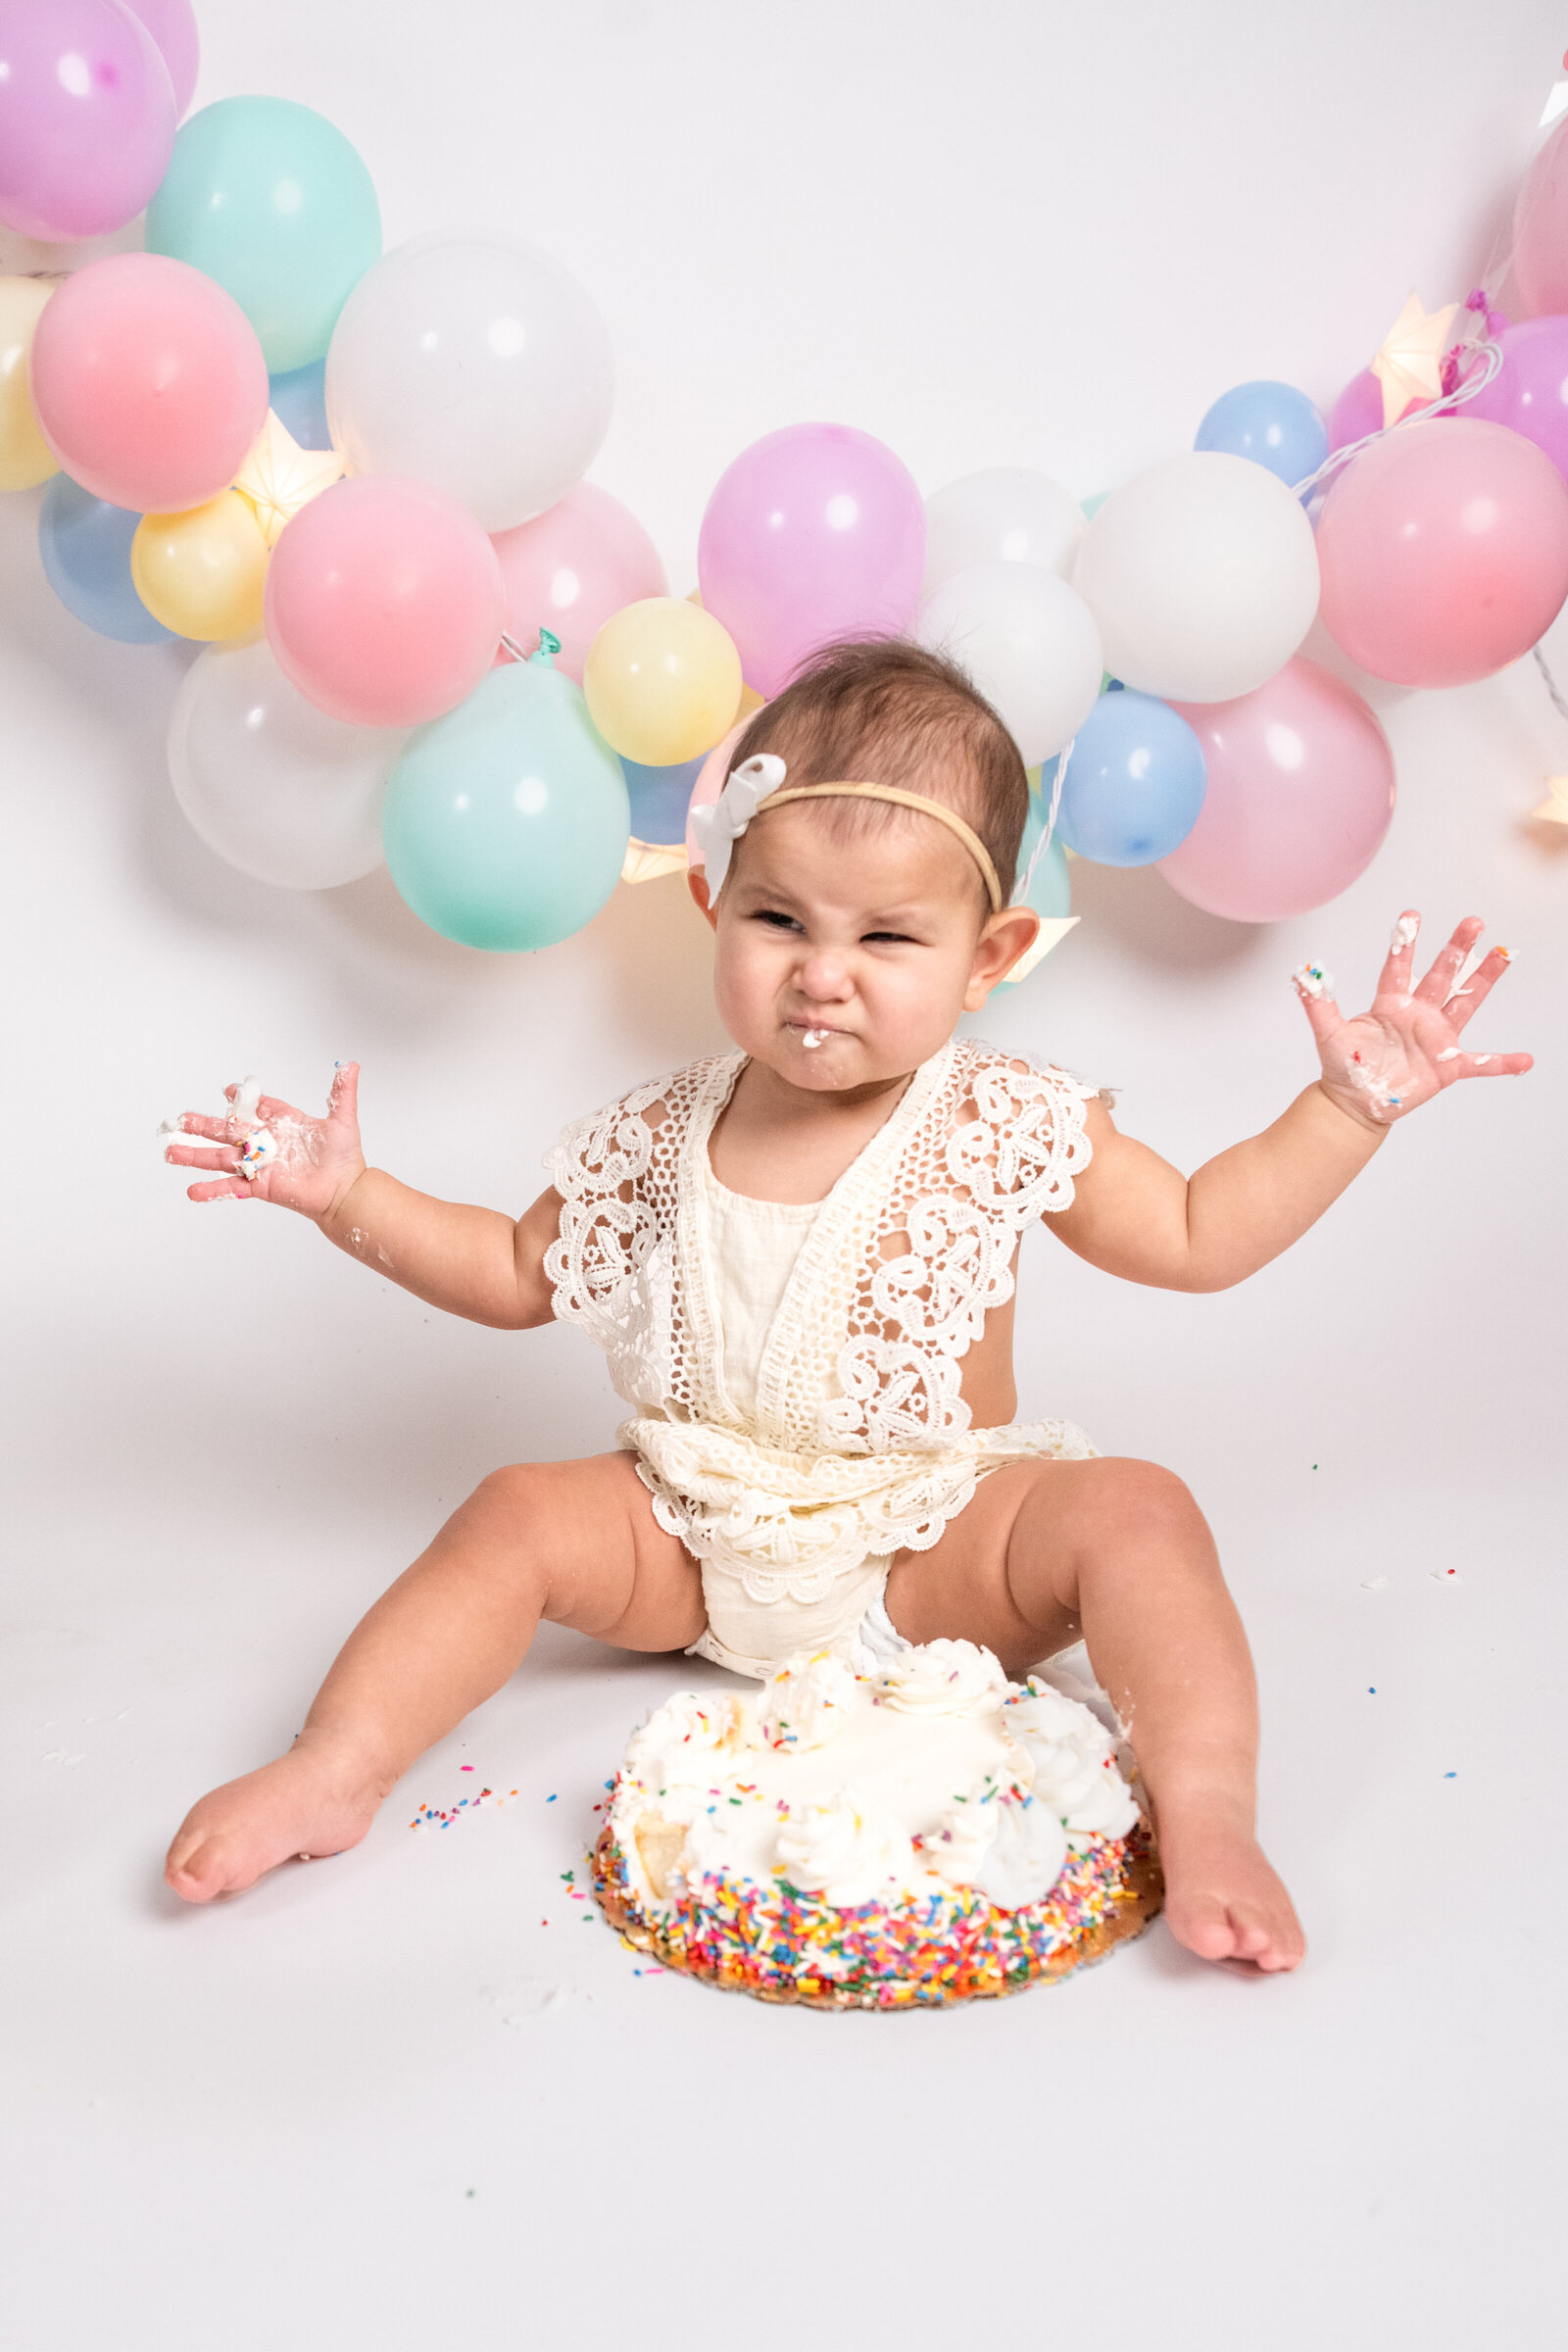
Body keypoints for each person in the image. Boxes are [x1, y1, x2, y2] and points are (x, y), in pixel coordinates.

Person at [160, 639, 1531, 1972]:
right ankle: (332, 1769)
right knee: (517, 1511)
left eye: (888, 934)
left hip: (937, 1553)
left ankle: (1209, 1812)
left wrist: (1348, 1109)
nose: (824, 971)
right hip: (693, 1534)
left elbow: (1194, 1233)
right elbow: (514, 1275)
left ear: (987, 955)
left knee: (1138, 1509)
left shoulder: (997, 1116)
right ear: (714, 904)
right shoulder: (652, 1134)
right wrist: (348, 1194)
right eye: (780, 920)